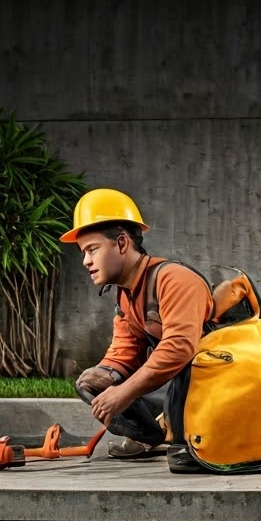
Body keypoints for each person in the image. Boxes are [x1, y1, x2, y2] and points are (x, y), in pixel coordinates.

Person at [60, 188, 214, 473]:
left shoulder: (174, 279)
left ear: (121, 243)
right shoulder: (126, 295)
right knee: (90, 382)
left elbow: (180, 347)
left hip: (219, 382)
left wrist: (124, 392)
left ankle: (187, 438)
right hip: (188, 387)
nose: (85, 261)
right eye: (84, 253)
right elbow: (124, 353)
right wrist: (107, 377)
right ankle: (154, 437)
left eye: (92, 249)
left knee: (178, 373)